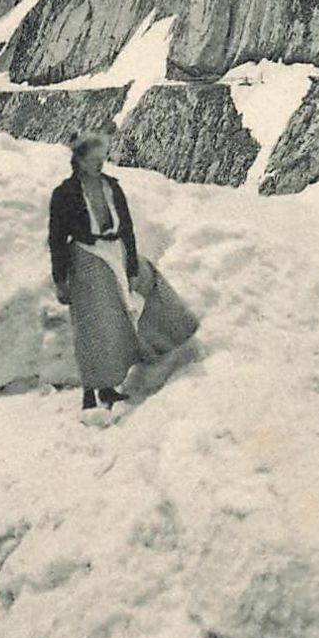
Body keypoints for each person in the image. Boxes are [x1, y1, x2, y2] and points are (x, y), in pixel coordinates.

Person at [48, 131, 199, 423]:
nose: (100, 165)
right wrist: (61, 279)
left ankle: (166, 346)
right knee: (97, 323)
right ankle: (93, 394)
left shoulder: (112, 188)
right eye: (94, 160)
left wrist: (131, 267)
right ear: (78, 161)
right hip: (85, 256)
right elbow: (56, 238)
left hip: (115, 251)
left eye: (102, 159)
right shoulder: (64, 194)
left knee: (149, 280)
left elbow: (126, 229)